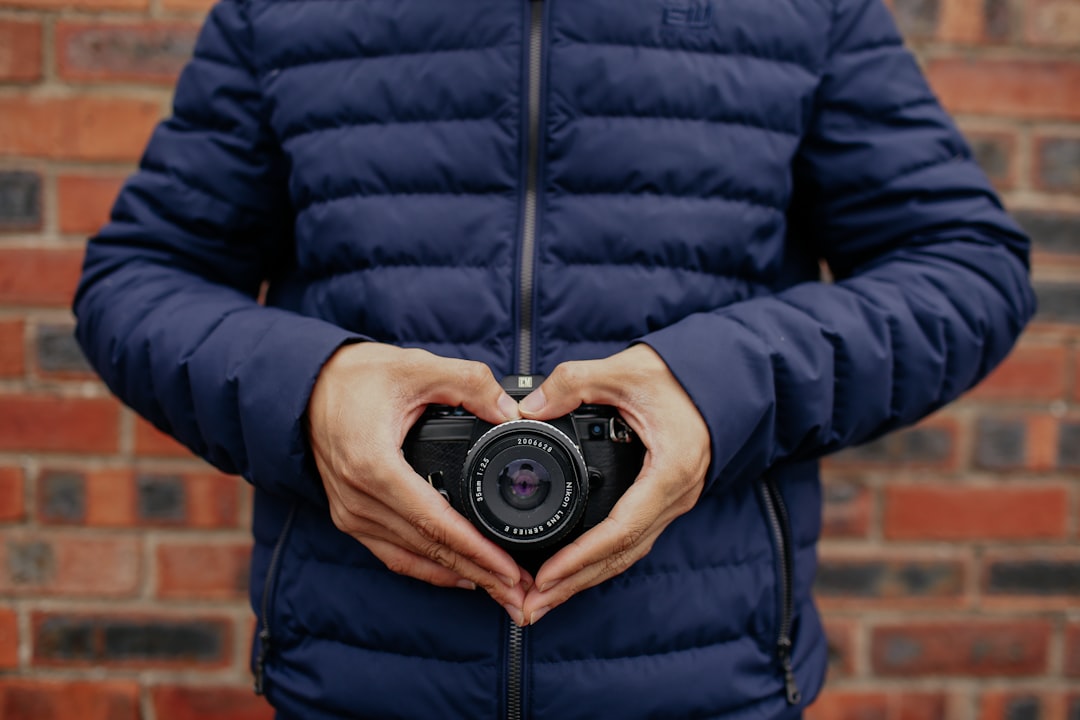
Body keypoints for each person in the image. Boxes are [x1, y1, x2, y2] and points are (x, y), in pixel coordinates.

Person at [72, 0, 1036, 717]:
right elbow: (139, 277)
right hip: (360, 679)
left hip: (708, 684)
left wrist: (718, 388)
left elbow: (966, 267)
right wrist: (311, 393)